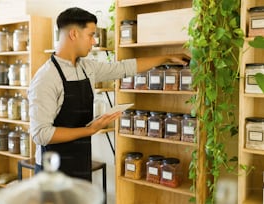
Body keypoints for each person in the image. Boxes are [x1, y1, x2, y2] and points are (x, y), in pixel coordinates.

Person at [28, 7, 188, 181]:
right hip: (51, 172)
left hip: (80, 164)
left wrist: (166, 57)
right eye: (90, 35)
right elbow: (41, 134)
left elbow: (124, 68)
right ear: (73, 34)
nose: (94, 41)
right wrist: (89, 130)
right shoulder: (46, 78)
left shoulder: (86, 67)